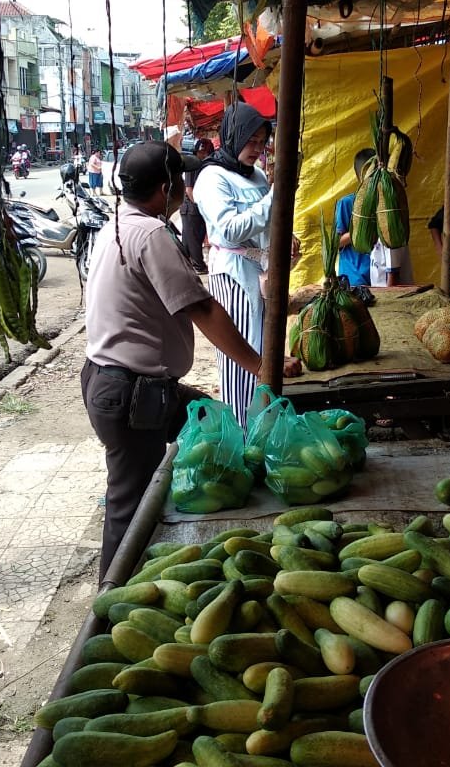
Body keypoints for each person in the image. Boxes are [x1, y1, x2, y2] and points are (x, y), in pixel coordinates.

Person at [83, 140, 299, 575]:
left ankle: (192, 545)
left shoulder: (119, 224)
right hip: (131, 394)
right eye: (181, 179)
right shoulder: (149, 234)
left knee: (214, 426)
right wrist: (259, 364)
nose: (187, 186)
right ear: (165, 189)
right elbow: (201, 308)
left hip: (119, 384)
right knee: (129, 506)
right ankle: (109, 603)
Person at [194, 103, 301, 425]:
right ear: (233, 136)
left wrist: (285, 238)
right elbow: (228, 229)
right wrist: (275, 197)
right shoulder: (211, 177)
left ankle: (264, 427)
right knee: (242, 355)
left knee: (265, 348)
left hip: (260, 270)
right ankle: (242, 430)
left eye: (261, 141)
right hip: (234, 274)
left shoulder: (253, 174)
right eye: (250, 141)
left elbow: (265, 222)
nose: (257, 148)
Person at [334, 148, 415, 289]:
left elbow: (393, 262)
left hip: (377, 277)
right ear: (361, 175)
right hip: (354, 276)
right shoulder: (347, 203)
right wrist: (362, 227)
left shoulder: (389, 209)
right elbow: (335, 242)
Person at [180, 137, 214, 273]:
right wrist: (200, 206)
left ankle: (188, 264)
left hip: (193, 207)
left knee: (190, 238)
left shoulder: (202, 165)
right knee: (193, 238)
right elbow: (189, 190)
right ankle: (198, 265)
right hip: (191, 208)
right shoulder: (193, 164)